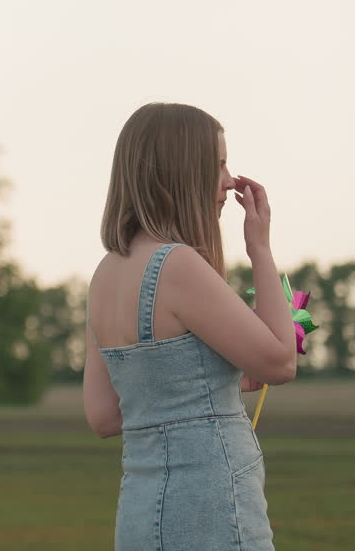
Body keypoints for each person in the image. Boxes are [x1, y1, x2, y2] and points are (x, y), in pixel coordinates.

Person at [82, 102, 297, 550]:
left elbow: (104, 416)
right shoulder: (178, 265)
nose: (229, 179)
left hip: (140, 514)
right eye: (217, 163)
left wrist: (217, 384)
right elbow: (281, 360)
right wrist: (260, 247)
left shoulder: (105, 276)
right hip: (211, 513)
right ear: (182, 170)